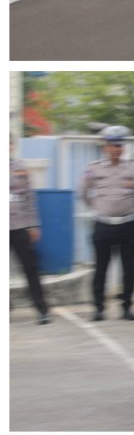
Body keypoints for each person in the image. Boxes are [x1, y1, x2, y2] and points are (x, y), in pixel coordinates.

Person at [80, 125, 134, 321]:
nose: (116, 148)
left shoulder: (132, 168)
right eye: (113, 145)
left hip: (127, 223)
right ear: (105, 147)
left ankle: (127, 307)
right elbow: (83, 192)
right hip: (103, 224)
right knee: (100, 268)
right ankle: (98, 308)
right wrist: (99, 207)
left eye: (119, 145)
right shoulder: (94, 168)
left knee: (128, 268)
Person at [10, 136, 51, 324]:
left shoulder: (20, 168)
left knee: (30, 269)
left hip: (19, 226)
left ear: (12, 145)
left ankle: (42, 309)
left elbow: (30, 199)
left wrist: (33, 224)